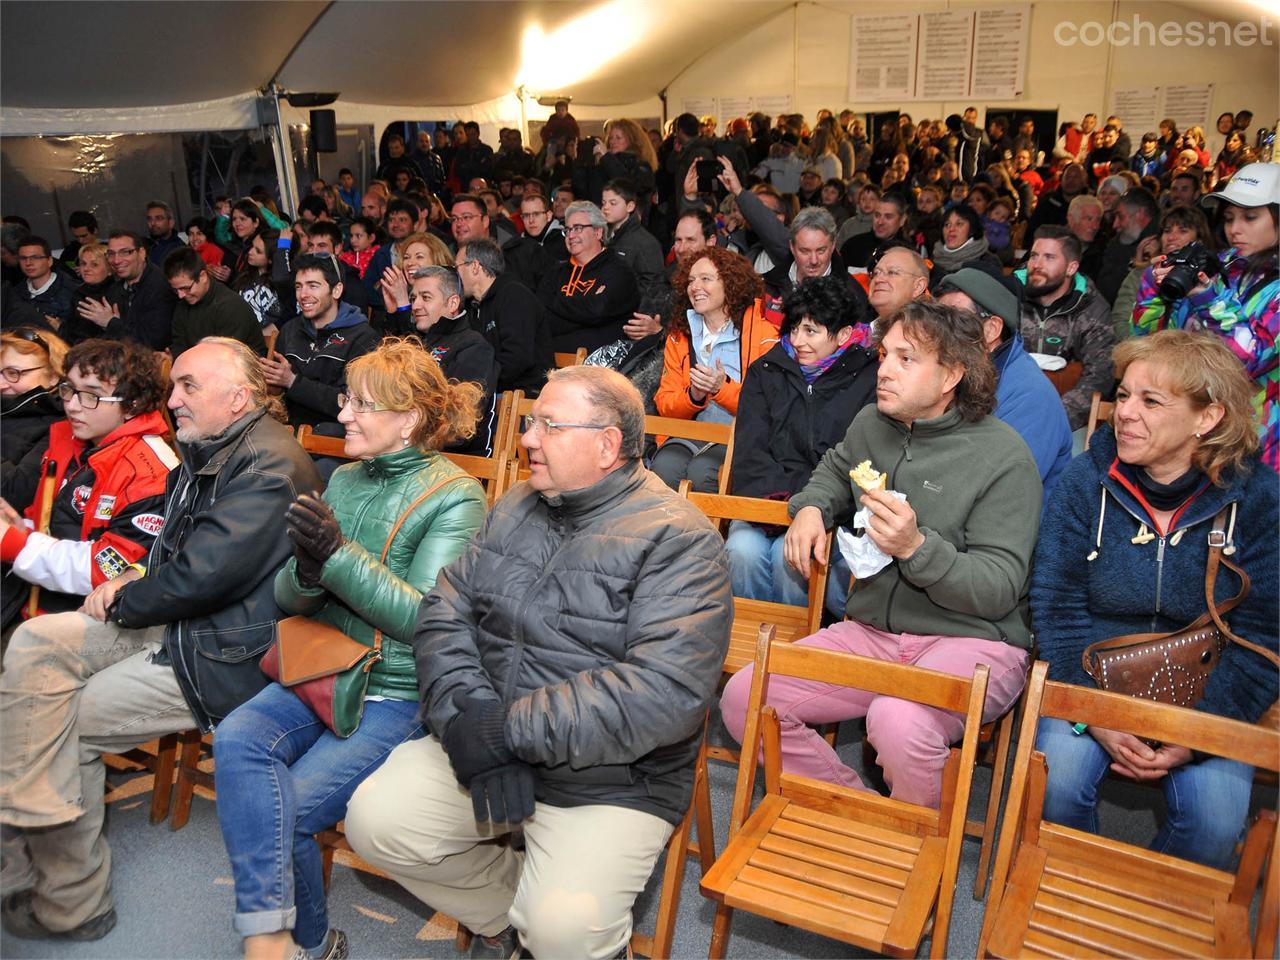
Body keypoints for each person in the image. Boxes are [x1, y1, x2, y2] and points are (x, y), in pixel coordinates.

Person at [343, 365, 732, 959]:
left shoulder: (680, 539)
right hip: (488, 734)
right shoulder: (518, 504)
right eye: (530, 424)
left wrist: (509, 732)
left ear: (607, 445)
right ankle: (510, 917)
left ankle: (547, 930)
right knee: (376, 824)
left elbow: (662, 692)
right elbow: (444, 614)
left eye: (549, 425)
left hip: (612, 778)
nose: (527, 439)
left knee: (565, 928)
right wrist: (468, 717)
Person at [0, 338, 321, 943]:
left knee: (63, 718)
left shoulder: (269, 466)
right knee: (37, 642)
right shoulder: (210, 446)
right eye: (173, 385)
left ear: (239, 396)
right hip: (182, 620)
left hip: (224, 652)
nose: (171, 400)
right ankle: (25, 815)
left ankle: (69, 898)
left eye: (188, 387)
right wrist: (130, 580)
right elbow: (171, 556)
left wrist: (123, 592)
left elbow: (202, 575)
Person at [213, 339, 487, 960]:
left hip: (395, 689)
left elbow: (424, 622)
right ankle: (301, 941)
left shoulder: (456, 496)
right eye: (346, 399)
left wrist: (335, 558)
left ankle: (284, 944)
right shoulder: (343, 477)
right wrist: (310, 572)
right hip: (325, 666)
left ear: (410, 419)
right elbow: (291, 597)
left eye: (362, 404)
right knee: (235, 738)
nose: (345, 415)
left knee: (289, 811)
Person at [719, 301, 1040, 808]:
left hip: (974, 641)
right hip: (874, 631)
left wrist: (915, 548)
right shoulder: (874, 423)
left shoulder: (1004, 458)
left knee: (898, 718)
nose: (884, 369)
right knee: (745, 696)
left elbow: (998, 588)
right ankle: (857, 815)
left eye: (906, 359)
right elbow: (833, 468)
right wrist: (810, 508)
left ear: (952, 375)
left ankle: (914, 849)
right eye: (884, 354)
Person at [1031, 330, 1278, 870]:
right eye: (1123, 395)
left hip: (1213, 677)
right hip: (1093, 665)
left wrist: (1197, 734)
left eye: (1150, 400)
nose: (1125, 413)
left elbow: (1263, 633)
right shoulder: (1084, 481)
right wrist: (1091, 710)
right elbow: (1055, 605)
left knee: (1213, 827)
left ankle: (1142, 911)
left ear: (1206, 418)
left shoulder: (1257, 499)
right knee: (1056, 787)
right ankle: (1076, 896)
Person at [0, 339, 175, 628]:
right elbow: (59, 530)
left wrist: (14, 543)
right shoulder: (75, 440)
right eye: (69, 389)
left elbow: (105, 570)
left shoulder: (151, 474)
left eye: (91, 396)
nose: (72, 405)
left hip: (89, 618)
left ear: (131, 405)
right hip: (33, 597)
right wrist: (19, 526)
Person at [726, 275, 877, 610]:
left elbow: (854, 461)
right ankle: (750, 651)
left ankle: (791, 653)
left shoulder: (867, 378)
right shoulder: (766, 371)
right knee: (741, 552)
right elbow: (750, 449)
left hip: (831, 509)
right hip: (765, 501)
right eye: (794, 329)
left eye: (811, 331)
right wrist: (780, 507)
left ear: (842, 336)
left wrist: (807, 507)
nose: (798, 341)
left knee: (789, 556)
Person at [1133, 161, 1280, 470]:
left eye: (1250, 217)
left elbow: (1245, 362)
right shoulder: (1215, 265)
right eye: (1228, 218)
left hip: (1255, 446)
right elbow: (1154, 343)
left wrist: (1209, 300)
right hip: (1192, 437)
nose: (1234, 229)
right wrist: (1155, 289)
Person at [935, 268, 1073, 491]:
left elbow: (1003, 489)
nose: (938, 331)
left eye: (954, 318)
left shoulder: (1031, 397)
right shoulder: (955, 371)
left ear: (991, 329)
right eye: (936, 318)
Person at [650, 247, 775, 491]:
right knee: (664, 467)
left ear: (730, 283)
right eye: (691, 281)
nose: (695, 287)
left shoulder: (764, 335)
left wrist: (720, 388)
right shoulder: (679, 336)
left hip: (738, 436)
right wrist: (694, 396)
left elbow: (767, 405)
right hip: (687, 432)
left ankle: (705, 531)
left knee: (703, 471)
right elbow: (665, 404)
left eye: (705, 279)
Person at [261, 253, 379, 431]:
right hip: (288, 433)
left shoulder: (363, 338)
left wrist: (293, 382)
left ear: (336, 290)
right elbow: (277, 395)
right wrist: (273, 386)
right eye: (299, 287)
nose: (303, 295)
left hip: (335, 439)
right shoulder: (290, 330)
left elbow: (352, 403)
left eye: (313, 286)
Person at [1016, 226, 1115, 431]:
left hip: (1066, 417)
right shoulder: (1008, 296)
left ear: (1071, 268)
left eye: (1049, 257)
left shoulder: (1091, 308)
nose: (1037, 264)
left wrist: (1055, 419)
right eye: (1034, 255)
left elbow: (1100, 374)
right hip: (1009, 406)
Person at [405, 266, 498, 456]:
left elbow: (460, 426)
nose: (415, 306)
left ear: (453, 303)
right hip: (410, 447)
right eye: (413, 298)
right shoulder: (414, 344)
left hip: (451, 460)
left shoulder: (475, 347)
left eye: (426, 297)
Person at [537, 201, 639, 354]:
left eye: (578, 228)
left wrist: (554, 302)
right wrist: (588, 312)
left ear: (598, 232)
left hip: (601, 369)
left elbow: (598, 310)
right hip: (552, 366)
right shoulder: (554, 273)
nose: (571, 235)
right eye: (568, 230)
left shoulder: (620, 272)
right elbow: (540, 318)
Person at [457, 238, 551, 396]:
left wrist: (479, 386)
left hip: (525, 393)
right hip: (497, 390)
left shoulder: (515, 296)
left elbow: (517, 358)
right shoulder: (475, 306)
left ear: (474, 267)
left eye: (457, 267)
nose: (455, 275)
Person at [1112, 205, 1212, 341]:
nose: (1171, 237)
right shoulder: (1141, 275)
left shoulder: (1208, 280)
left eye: (1182, 231)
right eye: (1167, 231)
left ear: (1199, 240)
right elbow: (1120, 322)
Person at [0, 328, 68, 509]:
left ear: (53, 376)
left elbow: (17, 492)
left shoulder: (62, 425)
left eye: (13, 373)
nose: (1, 383)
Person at [79, 231, 177, 350]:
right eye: (111, 254)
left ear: (141, 253)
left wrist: (110, 323)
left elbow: (153, 342)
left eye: (125, 252)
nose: (116, 260)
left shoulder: (160, 286)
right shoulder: (116, 288)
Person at [164, 247, 266, 356]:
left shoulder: (231, 307)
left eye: (186, 288)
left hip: (242, 368)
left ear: (202, 276)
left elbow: (226, 358)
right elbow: (179, 348)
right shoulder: (182, 307)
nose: (180, 295)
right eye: (176, 290)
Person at [601, 178, 664, 303]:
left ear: (630, 206)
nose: (606, 208)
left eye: (613, 203)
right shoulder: (606, 236)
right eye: (603, 202)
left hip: (631, 313)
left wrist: (620, 296)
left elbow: (653, 286)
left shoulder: (644, 242)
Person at [1095, 187, 1160, 306]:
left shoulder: (1163, 244)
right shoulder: (1117, 243)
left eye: (1120, 217)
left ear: (1140, 215)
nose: (1115, 225)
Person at [13, 236, 77, 330]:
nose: (28, 263)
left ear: (49, 261)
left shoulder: (72, 291)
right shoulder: (15, 294)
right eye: (23, 258)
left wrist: (62, 329)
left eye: (35, 257)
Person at [929, 205, 1000, 284]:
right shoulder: (932, 262)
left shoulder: (988, 263)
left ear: (972, 229)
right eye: (947, 224)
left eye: (959, 224)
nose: (951, 229)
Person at [868, 246, 929, 321]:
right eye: (876, 273)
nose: (878, 279)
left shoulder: (931, 330)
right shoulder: (860, 330)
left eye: (892, 272)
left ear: (918, 286)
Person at [144, 201, 184, 266]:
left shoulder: (179, 250)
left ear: (171, 223)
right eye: (149, 219)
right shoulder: (145, 244)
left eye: (158, 218)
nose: (153, 223)